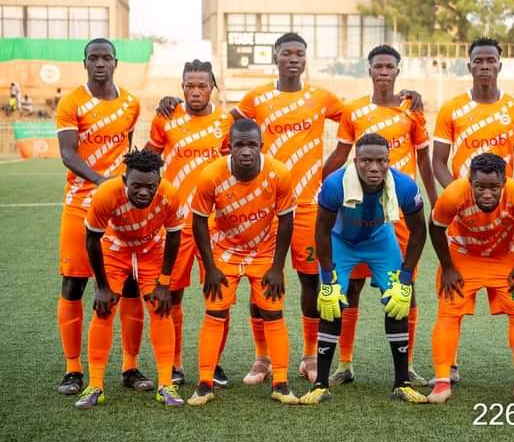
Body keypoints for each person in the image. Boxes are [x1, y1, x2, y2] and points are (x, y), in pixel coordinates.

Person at [156, 32, 422, 385]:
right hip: (265, 205)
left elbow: (362, 114)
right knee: (262, 281)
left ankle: (310, 356)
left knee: (312, 281)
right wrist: (178, 105)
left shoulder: (322, 98)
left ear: (305, 59)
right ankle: (262, 358)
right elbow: (219, 123)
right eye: (287, 53)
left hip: (310, 204)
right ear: (276, 57)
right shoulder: (256, 98)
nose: (293, 58)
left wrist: (404, 100)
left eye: (299, 53)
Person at [321, 44, 437, 388]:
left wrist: (434, 200)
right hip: (360, 209)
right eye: (378, 66)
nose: (383, 72)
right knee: (351, 286)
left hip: (400, 211)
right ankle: (345, 363)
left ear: (398, 70)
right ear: (369, 70)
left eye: (389, 66)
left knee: (405, 288)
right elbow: (341, 154)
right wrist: (322, 187)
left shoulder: (412, 109)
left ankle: (407, 365)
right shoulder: (354, 110)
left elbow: (424, 157)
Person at [431, 36, 514, 388]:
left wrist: (507, 198)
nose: (484, 65)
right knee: (452, 296)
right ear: (469, 65)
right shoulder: (452, 109)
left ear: (499, 65)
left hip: (506, 220)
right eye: (478, 60)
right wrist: (461, 197)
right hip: (464, 220)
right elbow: (438, 161)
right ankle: (449, 366)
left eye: (490, 60)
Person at [299, 133, 427, 405]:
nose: (374, 167)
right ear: (355, 161)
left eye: (381, 161)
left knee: (398, 300)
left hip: (380, 240)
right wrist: (327, 278)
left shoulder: (404, 185)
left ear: (389, 161)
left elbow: (419, 232)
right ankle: (321, 384)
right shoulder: (335, 184)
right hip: (341, 241)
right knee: (331, 301)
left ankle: (402, 382)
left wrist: (405, 278)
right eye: (366, 160)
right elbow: (322, 231)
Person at [55, 38, 150, 396]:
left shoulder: (131, 103)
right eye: (93, 58)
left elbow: (126, 149)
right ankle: (73, 369)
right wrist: (101, 182)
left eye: (105, 57)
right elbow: (68, 153)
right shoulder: (71, 102)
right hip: (80, 203)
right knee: (74, 284)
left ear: (115, 62)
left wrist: (120, 187)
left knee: (130, 284)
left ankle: (130, 366)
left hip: (120, 209)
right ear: (85, 63)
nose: (99, 63)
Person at [188, 118, 298, 406]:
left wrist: (277, 267)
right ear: (229, 147)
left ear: (261, 146)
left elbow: (287, 221)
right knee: (215, 312)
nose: (246, 151)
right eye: (239, 145)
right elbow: (199, 222)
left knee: (273, 313)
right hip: (224, 250)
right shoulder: (211, 175)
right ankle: (204, 384)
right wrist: (210, 267)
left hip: (264, 251)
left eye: (252, 144)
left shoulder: (279, 173)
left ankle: (281, 383)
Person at [427, 153, 514, 404]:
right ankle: (442, 381)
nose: (487, 194)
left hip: (504, 256)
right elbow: (436, 227)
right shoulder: (454, 193)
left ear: (504, 182)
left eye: (494, 187)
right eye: (480, 187)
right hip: (464, 255)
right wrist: (447, 267)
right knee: (449, 311)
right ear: (470, 181)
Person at [145, 59, 233, 387]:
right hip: (176, 225)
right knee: (172, 295)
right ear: (181, 87)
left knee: (218, 296)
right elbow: (149, 161)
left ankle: (214, 363)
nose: (196, 91)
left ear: (213, 88)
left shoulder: (225, 122)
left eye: (202, 86)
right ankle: (175, 363)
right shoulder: (166, 117)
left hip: (215, 226)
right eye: (190, 86)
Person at [75, 149, 184, 409]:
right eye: (137, 186)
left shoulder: (169, 194)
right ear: (125, 180)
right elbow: (92, 239)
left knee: (161, 309)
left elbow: (174, 236)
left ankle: (166, 384)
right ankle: (95, 386)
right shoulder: (107, 193)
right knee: (104, 310)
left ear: (158, 182)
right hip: (115, 249)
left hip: (151, 251)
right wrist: (101, 286)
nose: (144, 192)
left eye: (150, 186)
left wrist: (164, 282)